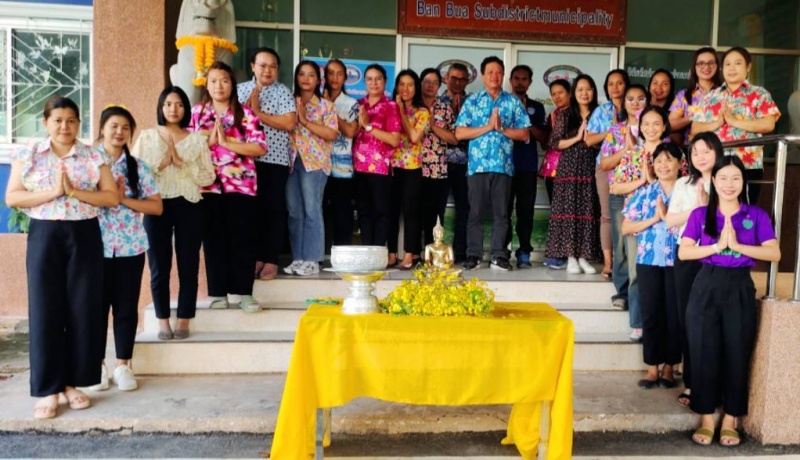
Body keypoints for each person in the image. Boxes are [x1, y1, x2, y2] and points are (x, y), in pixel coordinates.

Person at [5, 96, 118, 419]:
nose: (64, 126)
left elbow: (111, 196)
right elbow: (13, 197)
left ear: (79, 123)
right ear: (45, 123)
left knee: (82, 308)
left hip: (84, 234)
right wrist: (53, 193)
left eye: (71, 120)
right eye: (57, 120)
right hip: (45, 234)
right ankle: (49, 389)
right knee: (45, 308)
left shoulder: (93, 155)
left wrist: (74, 192)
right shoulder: (28, 154)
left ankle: (72, 384)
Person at [679, 155, 780, 447]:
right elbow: (685, 252)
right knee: (703, 351)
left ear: (743, 181)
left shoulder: (756, 215)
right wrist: (716, 246)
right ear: (713, 180)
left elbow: (774, 253)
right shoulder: (701, 215)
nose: (729, 184)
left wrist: (736, 245)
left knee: (737, 351)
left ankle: (731, 419)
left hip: (739, 287)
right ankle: (706, 417)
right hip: (705, 285)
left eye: (736, 178)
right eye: (723, 178)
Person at [134, 86, 216, 341]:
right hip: (156, 205)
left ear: (185, 109)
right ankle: (163, 321)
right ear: (161, 107)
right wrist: (161, 164)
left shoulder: (197, 139)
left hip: (189, 203)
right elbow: (134, 173)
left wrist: (181, 163)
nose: (173, 109)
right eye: (168, 104)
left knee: (188, 264)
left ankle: (183, 319)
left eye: (179, 104)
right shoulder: (147, 137)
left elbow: (209, 176)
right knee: (159, 265)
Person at [92, 106, 163, 392]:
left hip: (130, 248)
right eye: (114, 126)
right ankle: (96, 366)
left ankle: (123, 366)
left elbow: (156, 207)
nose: (119, 132)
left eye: (125, 127)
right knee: (95, 309)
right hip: (94, 248)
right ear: (102, 129)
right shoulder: (89, 163)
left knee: (125, 309)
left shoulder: (138, 167)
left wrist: (122, 199)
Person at [190, 61, 267, 313]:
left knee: (243, 238)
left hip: (242, 186)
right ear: (206, 85)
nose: (218, 86)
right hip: (208, 187)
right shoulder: (197, 113)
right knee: (213, 240)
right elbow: (186, 148)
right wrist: (210, 142)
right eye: (213, 81)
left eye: (224, 80)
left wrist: (227, 144)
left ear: (232, 84)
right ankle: (218, 293)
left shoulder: (246, 114)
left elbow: (259, 147)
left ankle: (244, 293)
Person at [664, 131, 724, 407]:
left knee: (714, 320)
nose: (700, 157)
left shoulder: (729, 180)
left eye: (706, 151)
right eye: (695, 152)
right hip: (687, 257)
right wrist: (698, 211)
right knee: (688, 319)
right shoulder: (683, 185)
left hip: (717, 257)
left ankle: (715, 384)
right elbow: (671, 221)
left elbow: (738, 220)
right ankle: (691, 384)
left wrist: (710, 205)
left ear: (717, 152)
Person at [455, 56, 531, 271]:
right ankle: (473, 255)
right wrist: (488, 127)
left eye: (498, 72)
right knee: (475, 213)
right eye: (490, 72)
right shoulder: (473, 101)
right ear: (482, 76)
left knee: (502, 214)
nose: (495, 76)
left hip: (503, 167)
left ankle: (499, 256)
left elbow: (525, 134)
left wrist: (502, 129)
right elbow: (460, 132)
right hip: (477, 166)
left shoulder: (512, 102)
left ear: (503, 75)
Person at [621, 142, 682, 390]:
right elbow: (626, 227)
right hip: (648, 260)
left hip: (678, 261)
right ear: (652, 165)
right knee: (651, 312)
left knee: (674, 314)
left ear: (680, 163)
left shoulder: (687, 192)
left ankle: (669, 366)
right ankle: (652, 367)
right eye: (658, 161)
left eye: (669, 160)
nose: (663, 165)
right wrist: (655, 218)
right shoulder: (645, 193)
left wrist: (669, 218)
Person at [610, 105, 672, 342]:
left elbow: (683, 182)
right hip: (636, 220)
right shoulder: (632, 155)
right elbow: (615, 187)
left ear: (664, 126)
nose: (651, 128)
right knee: (637, 271)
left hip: (667, 221)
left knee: (664, 273)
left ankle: (662, 322)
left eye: (656, 123)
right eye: (646, 124)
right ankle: (638, 323)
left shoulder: (672, 153)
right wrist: (642, 181)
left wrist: (655, 180)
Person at [692, 46, 780, 205]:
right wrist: (717, 123)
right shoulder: (710, 96)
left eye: (738, 63)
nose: (732, 68)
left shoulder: (759, 93)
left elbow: (768, 124)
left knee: (744, 210)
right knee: (715, 210)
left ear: (748, 67)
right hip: (716, 163)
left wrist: (734, 121)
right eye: (727, 64)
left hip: (748, 165)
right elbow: (695, 128)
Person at [237, 47, 296, 281]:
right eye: (262, 65)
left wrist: (256, 112)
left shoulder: (283, 92)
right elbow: (231, 121)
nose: (267, 70)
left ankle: (270, 259)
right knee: (250, 211)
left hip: (275, 160)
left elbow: (289, 123)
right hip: (245, 159)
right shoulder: (240, 90)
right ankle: (256, 258)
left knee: (273, 209)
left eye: (272, 66)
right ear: (253, 66)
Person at [543, 74, 601, 275]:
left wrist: (593, 140)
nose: (584, 93)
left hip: (590, 167)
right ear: (574, 93)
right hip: (569, 168)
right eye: (580, 89)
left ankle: (583, 257)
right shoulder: (567, 114)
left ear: (594, 91)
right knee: (568, 212)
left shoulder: (599, 113)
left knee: (587, 211)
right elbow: (554, 143)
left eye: (588, 89)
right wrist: (577, 137)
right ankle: (570, 257)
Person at [285, 60, 338, 276]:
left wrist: (305, 121)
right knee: (294, 212)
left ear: (318, 80)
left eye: (311, 75)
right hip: (291, 161)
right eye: (302, 74)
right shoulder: (288, 101)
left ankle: (313, 259)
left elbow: (332, 134)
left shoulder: (326, 105)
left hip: (314, 163)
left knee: (312, 210)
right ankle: (298, 258)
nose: (306, 79)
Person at [599, 84, 649, 302]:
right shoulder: (615, 131)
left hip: (647, 194)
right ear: (624, 103)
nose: (635, 103)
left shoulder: (654, 127)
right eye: (630, 99)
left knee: (641, 245)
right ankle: (622, 292)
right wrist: (626, 150)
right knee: (620, 245)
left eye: (640, 98)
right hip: (620, 194)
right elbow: (605, 164)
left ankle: (640, 293)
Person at [581, 70, 630, 277]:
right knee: (607, 215)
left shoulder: (635, 107)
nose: (615, 87)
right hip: (606, 165)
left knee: (631, 212)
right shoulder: (602, 111)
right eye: (611, 84)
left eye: (619, 83)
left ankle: (627, 261)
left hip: (632, 166)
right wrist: (611, 129)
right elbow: (589, 140)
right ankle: (609, 263)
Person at [353, 64, 402, 247]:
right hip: (359, 167)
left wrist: (369, 127)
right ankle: (367, 252)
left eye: (378, 78)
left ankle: (378, 253)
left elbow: (394, 140)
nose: (374, 83)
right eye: (369, 79)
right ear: (365, 82)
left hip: (380, 168)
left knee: (381, 213)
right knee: (363, 212)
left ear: (385, 82)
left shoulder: (390, 106)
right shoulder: (358, 104)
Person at [504, 64, 548, 269]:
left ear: (529, 83)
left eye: (524, 79)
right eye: (516, 78)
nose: (520, 83)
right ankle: (502, 252)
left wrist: (525, 118)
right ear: (511, 81)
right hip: (503, 166)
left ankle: (524, 252)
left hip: (527, 167)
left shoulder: (536, 107)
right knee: (503, 212)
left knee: (525, 212)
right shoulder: (502, 103)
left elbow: (544, 139)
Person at [387, 69, 429, 269]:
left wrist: (401, 112)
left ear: (416, 88)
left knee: (411, 212)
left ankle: (409, 255)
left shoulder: (422, 112)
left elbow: (414, 136)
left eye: (410, 84)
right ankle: (391, 254)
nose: (405, 88)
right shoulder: (388, 107)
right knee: (391, 211)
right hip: (389, 166)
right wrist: (395, 109)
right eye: (401, 84)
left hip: (412, 167)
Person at [322, 59, 360, 248]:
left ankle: (341, 256)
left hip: (342, 169)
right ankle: (319, 255)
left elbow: (351, 131)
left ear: (345, 77)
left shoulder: (351, 103)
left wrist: (330, 109)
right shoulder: (315, 101)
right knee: (320, 213)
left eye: (339, 74)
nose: (335, 78)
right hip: (318, 166)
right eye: (331, 73)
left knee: (342, 215)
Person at [419, 68, 457, 249]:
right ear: (420, 83)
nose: (431, 86)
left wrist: (434, 127)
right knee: (415, 213)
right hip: (414, 168)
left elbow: (454, 139)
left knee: (435, 215)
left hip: (438, 170)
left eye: (435, 83)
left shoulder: (445, 108)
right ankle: (414, 253)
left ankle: (433, 253)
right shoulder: (413, 106)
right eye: (427, 81)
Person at [440, 63, 471, 263]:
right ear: (446, 78)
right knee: (437, 208)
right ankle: (437, 252)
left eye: (462, 79)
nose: (457, 82)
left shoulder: (472, 102)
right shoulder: (437, 101)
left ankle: (460, 252)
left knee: (464, 209)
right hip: (439, 162)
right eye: (454, 78)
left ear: (467, 81)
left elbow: (471, 132)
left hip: (465, 163)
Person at [668, 47, 721, 146]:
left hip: (720, 147)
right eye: (701, 63)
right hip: (692, 149)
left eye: (711, 63)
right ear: (694, 67)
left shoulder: (724, 92)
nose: (706, 67)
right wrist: (693, 117)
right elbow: (669, 125)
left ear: (717, 66)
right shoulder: (684, 95)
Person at [539, 78, 571, 203]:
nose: (557, 97)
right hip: (552, 169)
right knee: (555, 206)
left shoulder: (577, 113)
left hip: (571, 167)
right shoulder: (552, 115)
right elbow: (547, 143)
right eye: (553, 94)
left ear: (570, 93)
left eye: (560, 92)